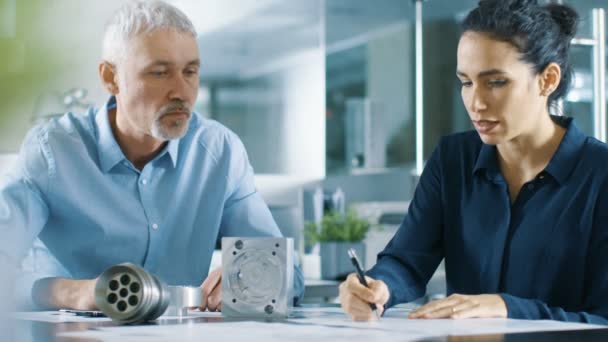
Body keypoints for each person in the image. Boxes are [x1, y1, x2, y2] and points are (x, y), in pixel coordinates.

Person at [0, 0, 303, 311]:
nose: (181, 92)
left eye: (190, 72)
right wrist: (70, 293)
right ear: (110, 78)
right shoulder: (52, 151)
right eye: (159, 73)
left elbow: (286, 275)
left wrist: (258, 279)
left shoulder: (220, 152)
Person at [339, 0, 608, 324]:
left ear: (547, 79)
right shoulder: (452, 160)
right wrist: (379, 286)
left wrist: (506, 308)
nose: (475, 102)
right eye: (466, 82)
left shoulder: (599, 173)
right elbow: (408, 260)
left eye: (496, 82)